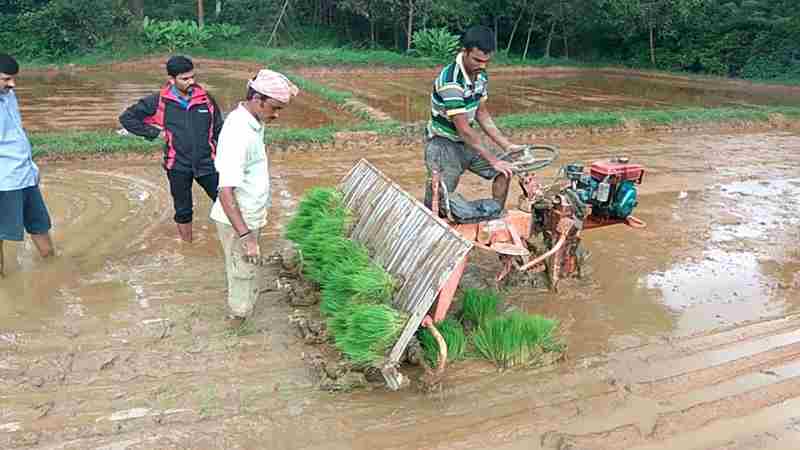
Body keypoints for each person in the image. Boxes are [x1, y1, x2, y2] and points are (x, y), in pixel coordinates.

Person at [210, 69, 298, 327]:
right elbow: (225, 191)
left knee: (247, 266)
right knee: (242, 270)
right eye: (275, 108)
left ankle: (246, 303)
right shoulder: (238, 132)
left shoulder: (254, 122)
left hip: (249, 216)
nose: (277, 115)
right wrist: (246, 236)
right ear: (257, 98)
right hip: (238, 220)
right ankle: (238, 320)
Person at [119, 55, 223, 242]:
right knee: (183, 210)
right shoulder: (158, 101)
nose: (191, 82)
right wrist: (153, 132)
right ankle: (188, 245)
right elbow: (127, 118)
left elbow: (218, 130)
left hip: (208, 163)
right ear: (171, 80)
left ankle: (233, 239)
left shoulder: (206, 100)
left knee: (226, 201)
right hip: (177, 166)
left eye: (193, 77)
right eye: (185, 79)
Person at [424, 25, 525, 215]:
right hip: (443, 145)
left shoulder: (480, 74)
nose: (482, 65)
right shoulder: (450, 81)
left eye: (487, 61)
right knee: (439, 201)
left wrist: (506, 145)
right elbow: (463, 129)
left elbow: (481, 113)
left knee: (504, 170)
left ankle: (495, 217)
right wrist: (493, 159)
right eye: (477, 60)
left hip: (467, 143)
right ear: (464, 51)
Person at [0, 54, 55, 277]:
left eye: (13, 79)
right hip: (4, 182)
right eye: (6, 79)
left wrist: (31, 167)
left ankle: (54, 270)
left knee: (40, 225)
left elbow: (16, 132)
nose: (12, 84)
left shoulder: (9, 96)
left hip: (24, 174)